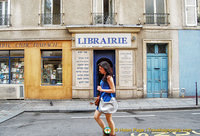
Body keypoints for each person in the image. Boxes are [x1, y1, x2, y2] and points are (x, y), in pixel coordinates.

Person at [94, 61, 116, 136]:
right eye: (99, 68)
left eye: (101, 68)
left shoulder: (109, 77)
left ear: (105, 68)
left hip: (108, 100)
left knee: (109, 119)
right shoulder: (104, 76)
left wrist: (101, 89)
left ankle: (112, 134)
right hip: (102, 99)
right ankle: (106, 130)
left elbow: (113, 90)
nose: (99, 70)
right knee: (96, 117)